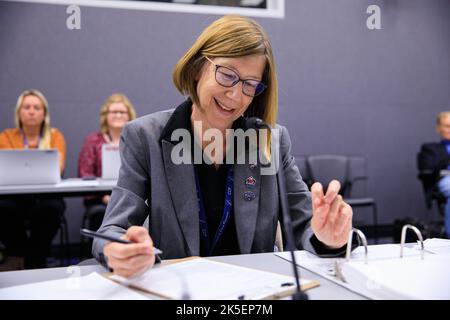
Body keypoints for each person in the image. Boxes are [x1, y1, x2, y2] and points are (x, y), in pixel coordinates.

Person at [93, 15, 354, 277]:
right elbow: (110, 232)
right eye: (227, 75)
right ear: (197, 68)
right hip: (179, 290)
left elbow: (305, 224)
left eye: (250, 85)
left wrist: (328, 238)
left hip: (254, 291)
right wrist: (119, 250)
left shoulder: (270, 141)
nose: (236, 95)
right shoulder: (145, 137)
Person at [0, 89, 66, 269]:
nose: (31, 111)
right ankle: (17, 255)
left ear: (44, 113)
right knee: (3, 209)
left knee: (51, 209)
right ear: (18, 112)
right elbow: (5, 167)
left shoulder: (55, 136)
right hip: (14, 197)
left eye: (36, 107)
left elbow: (58, 168)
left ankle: (36, 259)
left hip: (45, 197)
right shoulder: (6, 136)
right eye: (26, 107)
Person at [78, 93, 137, 233]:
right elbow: (85, 174)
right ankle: (101, 252)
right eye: (114, 112)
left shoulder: (136, 140)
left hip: (132, 197)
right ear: (105, 116)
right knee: (99, 213)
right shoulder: (93, 141)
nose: (118, 115)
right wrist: (106, 198)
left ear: (130, 115)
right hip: (99, 199)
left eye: (122, 112)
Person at [418, 111, 450, 238]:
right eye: (447, 126)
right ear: (439, 128)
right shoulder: (430, 148)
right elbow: (428, 167)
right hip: (444, 178)